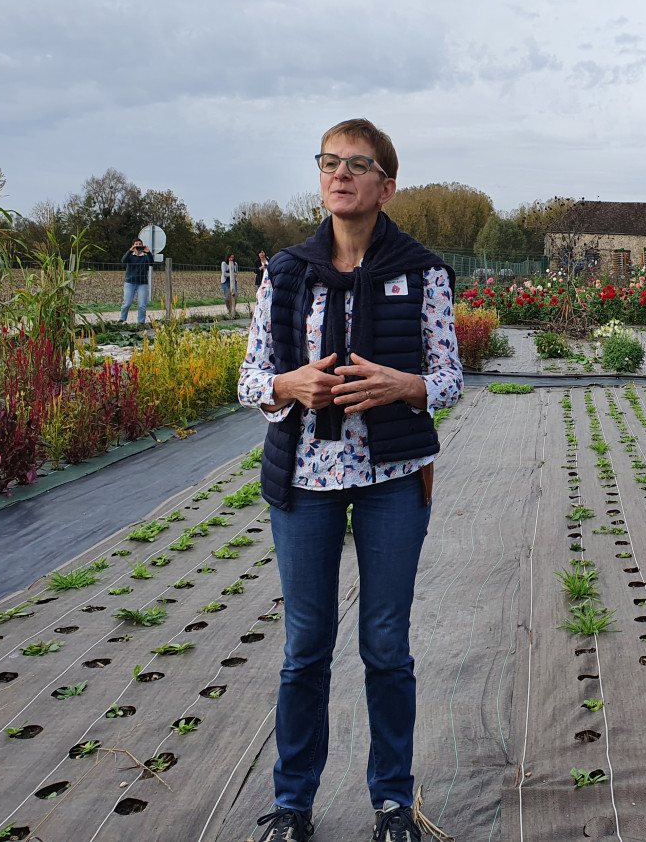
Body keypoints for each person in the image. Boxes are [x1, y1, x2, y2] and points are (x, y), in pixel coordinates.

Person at [237, 118, 462, 842]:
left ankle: (393, 802)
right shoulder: (286, 271)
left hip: (392, 478)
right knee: (305, 647)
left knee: (386, 645)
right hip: (303, 481)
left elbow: (451, 378)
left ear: (385, 185)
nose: (339, 174)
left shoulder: (422, 271)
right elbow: (248, 381)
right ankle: (292, 804)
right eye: (329, 162)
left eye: (357, 164)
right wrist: (287, 383)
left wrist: (406, 384)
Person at [119, 238, 155, 323]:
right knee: (127, 303)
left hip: (142, 283)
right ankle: (122, 319)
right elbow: (123, 261)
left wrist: (148, 252)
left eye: (140, 244)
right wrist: (130, 250)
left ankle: (141, 322)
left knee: (142, 304)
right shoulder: (130, 256)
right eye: (136, 244)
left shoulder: (145, 257)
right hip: (130, 282)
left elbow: (151, 263)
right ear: (133, 246)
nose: (138, 246)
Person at [221, 252, 239, 316]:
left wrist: (233, 275)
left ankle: (233, 309)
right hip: (225, 282)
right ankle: (228, 309)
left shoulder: (235, 264)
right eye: (230, 257)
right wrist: (232, 274)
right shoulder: (224, 264)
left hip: (233, 281)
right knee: (227, 296)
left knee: (234, 295)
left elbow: (236, 273)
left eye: (232, 257)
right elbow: (224, 274)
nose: (231, 259)